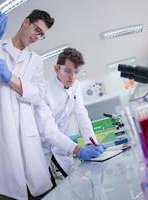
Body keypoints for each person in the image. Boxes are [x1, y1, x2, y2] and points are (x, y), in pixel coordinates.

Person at [0, 10, 103, 199]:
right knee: (5, 193)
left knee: (38, 190)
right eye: (36, 29)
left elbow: (38, 94)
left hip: (29, 142)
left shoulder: (35, 61)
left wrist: (11, 78)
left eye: (42, 34)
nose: (37, 36)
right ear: (25, 22)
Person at [40, 48, 105, 184]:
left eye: (76, 72)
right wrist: (77, 149)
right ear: (56, 69)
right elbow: (49, 131)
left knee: (73, 184)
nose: (72, 77)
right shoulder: (43, 91)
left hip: (62, 147)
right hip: (41, 148)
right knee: (46, 188)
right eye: (67, 71)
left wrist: (92, 142)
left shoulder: (76, 85)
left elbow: (81, 114)